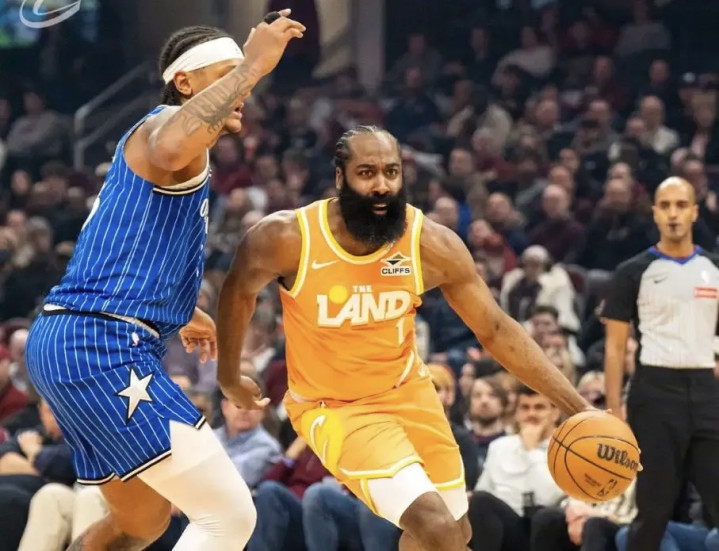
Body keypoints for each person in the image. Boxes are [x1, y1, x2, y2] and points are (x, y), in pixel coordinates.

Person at [216, 125, 596, 551]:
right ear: (340, 177)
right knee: (437, 527)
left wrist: (579, 408)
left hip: (409, 392)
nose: (382, 185)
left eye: (391, 172)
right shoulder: (288, 238)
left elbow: (495, 329)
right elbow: (237, 292)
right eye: (367, 173)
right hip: (336, 407)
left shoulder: (429, 243)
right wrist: (228, 376)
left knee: (452, 533)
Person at [24, 12, 305, 551]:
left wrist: (177, 310)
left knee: (142, 522)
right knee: (228, 516)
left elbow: (125, 244)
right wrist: (252, 63)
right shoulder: (166, 128)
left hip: (72, 340)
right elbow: (170, 148)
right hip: (102, 346)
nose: (241, 89)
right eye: (224, 76)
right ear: (185, 82)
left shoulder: (174, 147)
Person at [602, 176, 719, 551]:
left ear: (694, 212)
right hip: (654, 394)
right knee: (652, 511)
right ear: (654, 213)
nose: (673, 214)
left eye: (681, 205)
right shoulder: (632, 272)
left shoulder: (714, 268)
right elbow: (615, 348)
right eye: (665, 206)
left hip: (707, 393)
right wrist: (614, 411)